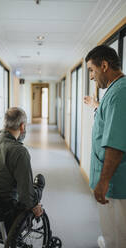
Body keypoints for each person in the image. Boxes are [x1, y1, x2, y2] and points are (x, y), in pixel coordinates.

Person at [0, 107, 45, 231]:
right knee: (39, 183)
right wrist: (34, 205)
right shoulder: (20, 152)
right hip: (5, 217)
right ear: (22, 127)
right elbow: (25, 197)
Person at [85, 45, 126, 248]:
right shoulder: (115, 90)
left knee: (119, 235)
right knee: (111, 230)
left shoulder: (120, 92)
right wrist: (96, 106)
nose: (91, 77)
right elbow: (111, 117)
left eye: (91, 70)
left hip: (116, 181)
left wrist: (104, 181)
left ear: (104, 65)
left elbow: (116, 144)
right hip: (113, 179)